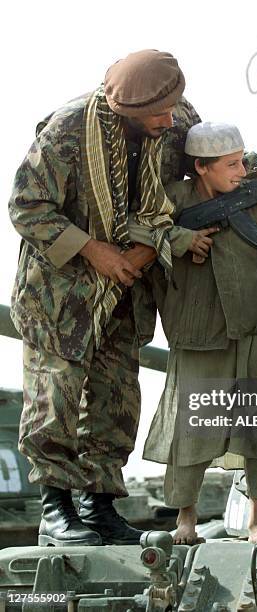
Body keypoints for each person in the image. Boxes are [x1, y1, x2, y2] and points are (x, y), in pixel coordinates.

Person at [8, 49, 204, 546]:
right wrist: (94, 250)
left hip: (126, 293)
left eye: (171, 107)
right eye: (155, 114)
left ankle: (99, 509)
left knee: (117, 401)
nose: (168, 120)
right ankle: (56, 510)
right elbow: (27, 206)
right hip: (60, 295)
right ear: (125, 109)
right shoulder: (68, 130)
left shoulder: (176, 118)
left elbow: (212, 165)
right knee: (56, 398)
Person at [138, 122, 257, 545]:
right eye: (230, 164)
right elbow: (132, 226)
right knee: (192, 432)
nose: (240, 170)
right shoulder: (175, 198)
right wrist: (180, 238)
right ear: (201, 167)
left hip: (256, 329)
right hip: (201, 331)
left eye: (242, 160)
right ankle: (185, 520)